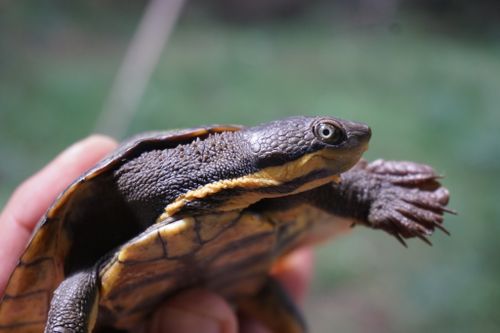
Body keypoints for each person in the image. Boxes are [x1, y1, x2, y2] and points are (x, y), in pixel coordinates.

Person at [0, 135, 313, 333]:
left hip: (240, 277)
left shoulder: (269, 188)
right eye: (327, 133)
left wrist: (363, 196)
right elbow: (74, 285)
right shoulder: (114, 201)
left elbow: (320, 184)